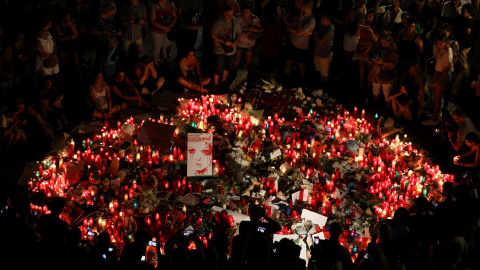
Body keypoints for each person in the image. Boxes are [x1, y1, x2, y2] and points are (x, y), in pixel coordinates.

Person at [422, 33, 452, 126]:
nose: (438, 45)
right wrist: (428, 61)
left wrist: (438, 81)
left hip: (442, 75)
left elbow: (447, 68)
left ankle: (434, 119)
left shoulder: (447, 52)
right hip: (437, 73)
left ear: (445, 43)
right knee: (437, 98)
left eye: (441, 44)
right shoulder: (440, 50)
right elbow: (436, 57)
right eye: (437, 43)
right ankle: (437, 116)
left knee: (437, 99)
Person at [284, 0, 315, 82]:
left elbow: (298, 31)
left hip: (302, 48)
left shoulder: (311, 21)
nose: (300, 7)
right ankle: (286, 82)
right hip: (292, 44)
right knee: (288, 63)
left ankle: (301, 84)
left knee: (301, 67)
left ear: (306, 8)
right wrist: (297, 31)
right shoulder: (299, 15)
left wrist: (298, 23)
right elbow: (291, 28)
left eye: (302, 6)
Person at [211, 6, 242, 86]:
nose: (230, 17)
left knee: (228, 66)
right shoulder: (218, 22)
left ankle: (224, 81)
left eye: (232, 15)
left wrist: (235, 42)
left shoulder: (235, 21)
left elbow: (239, 33)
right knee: (219, 66)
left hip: (231, 49)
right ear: (224, 13)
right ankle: (216, 83)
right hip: (220, 48)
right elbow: (213, 34)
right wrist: (223, 41)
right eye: (228, 15)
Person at [368, 31, 398, 108]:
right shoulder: (378, 45)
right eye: (381, 42)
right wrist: (373, 60)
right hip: (376, 72)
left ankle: (387, 108)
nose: (383, 45)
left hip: (387, 74)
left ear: (389, 41)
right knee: (375, 88)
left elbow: (393, 64)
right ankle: (373, 105)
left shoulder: (393, 49)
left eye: (384, 43)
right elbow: (371, 54)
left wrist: (383, 62)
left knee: (386, 91)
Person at [234, 3, 263, 76]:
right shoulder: (238, 18)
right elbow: (233, 29)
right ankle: (234, 73)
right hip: (239, 42)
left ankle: (249, 74)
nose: (245, 14)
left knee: (248, 60)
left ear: (250, 12)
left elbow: (261, 29)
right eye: (243, 12)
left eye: (247, 12)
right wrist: (243, 33)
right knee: (237, 58)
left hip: (250, 43)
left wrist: (254, 30)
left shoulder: (254, 19)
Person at [91, 2, 121, 72]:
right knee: (100, 57)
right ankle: (98, 71)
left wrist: (118, 30)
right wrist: (103, 32)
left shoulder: (110, 17)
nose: (112, 13)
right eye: (111, 12)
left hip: (108, 41)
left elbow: (114, 26)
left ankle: (104, 71)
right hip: (101, 41)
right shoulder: (98, 19)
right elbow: (92, 31)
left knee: (105, 57)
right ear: (107, 10)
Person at [354, 9, 378, 89]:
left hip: (369, 49)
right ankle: (361, 82)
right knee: (361, 66)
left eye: (370, 17)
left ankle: (368, 84)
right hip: (360, 47)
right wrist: (359, 29)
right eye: (367, 16)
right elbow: (356, 35)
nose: (368, 18)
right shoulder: (362, 23)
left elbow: (375, 40)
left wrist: (371, 31)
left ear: (373, 18)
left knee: (369, 67)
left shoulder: (376, 26)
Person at [149, 0, 177, 66]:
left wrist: (170, 26)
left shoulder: (170, 4)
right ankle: (155, 63)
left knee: (166, 46)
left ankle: (165, 62)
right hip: (157, 31)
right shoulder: (154, 6)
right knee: (157, 47)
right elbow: (153, 21)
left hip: (167, 30)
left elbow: (175, 16)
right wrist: (165, 27)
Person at [313, 12, 334, 84]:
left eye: (323, 19)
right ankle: (320, 84)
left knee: (324, 72)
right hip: (318, 52)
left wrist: (315, 35)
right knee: (319, 70)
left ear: (329, 20)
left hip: (324, 55)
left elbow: (320, 41)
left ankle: (324, 86)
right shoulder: (322, 25)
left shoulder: (330, 30)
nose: (321, 20)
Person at [344, 0, 366, 64]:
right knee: (349, 51)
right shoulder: (352, 11)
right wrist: (346, 31)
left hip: (359, 33)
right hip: (351, 34)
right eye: (359, 1)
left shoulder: (364, 7)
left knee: (356, 50)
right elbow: (345, 21)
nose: (361, 2)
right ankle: (349, 65)